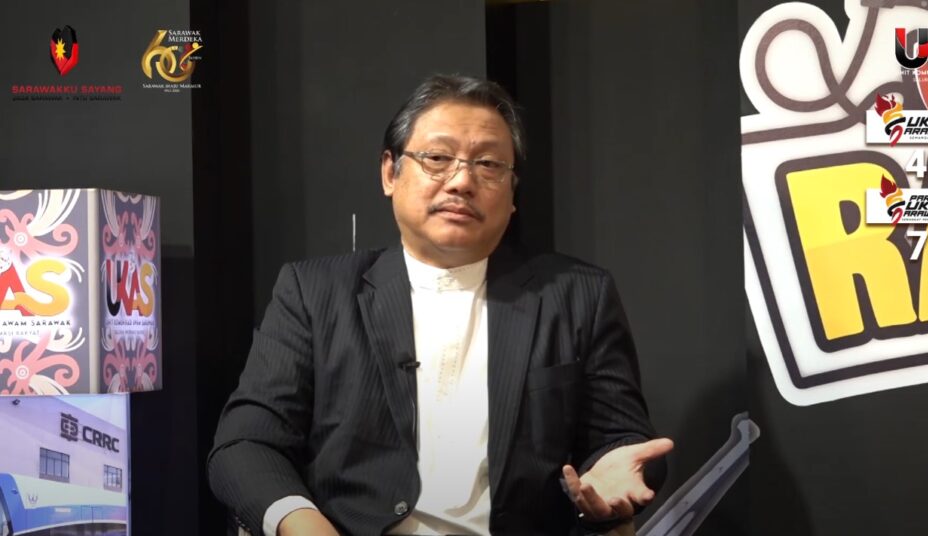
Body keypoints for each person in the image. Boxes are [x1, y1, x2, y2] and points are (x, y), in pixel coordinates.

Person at [208, 74, 672, 536]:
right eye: (437, 158)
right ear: (390, 173)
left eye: (488, 164)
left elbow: (624, 443)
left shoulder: (577, 294)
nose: (462, 181)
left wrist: (612, 477)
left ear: (512, 193)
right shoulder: (315, 292)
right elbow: (246, 444)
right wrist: (304, 525)